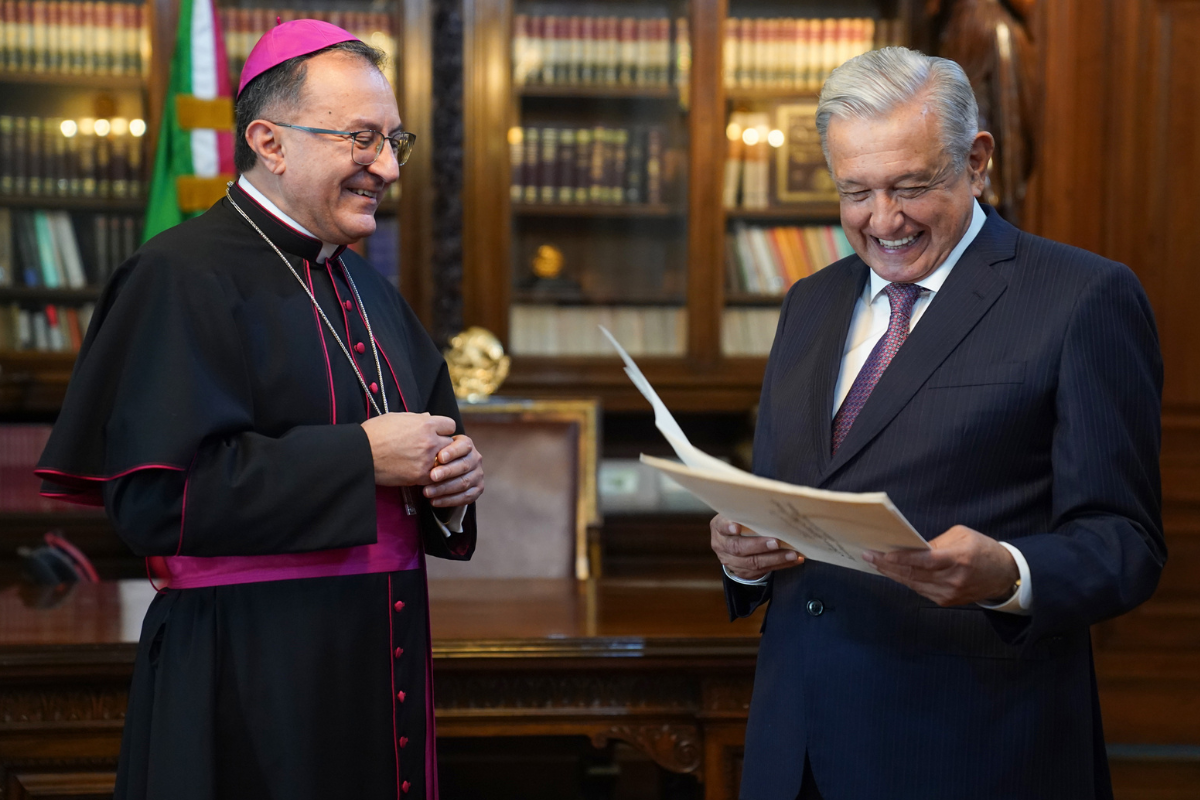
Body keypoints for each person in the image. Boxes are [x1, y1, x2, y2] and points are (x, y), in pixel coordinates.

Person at [35, 20, 482, 800]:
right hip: (246, 674)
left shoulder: (371, 288)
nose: (386, 166)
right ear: (270, 142)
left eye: (394, 141)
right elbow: (149, 502)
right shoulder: (176, 275)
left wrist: (450, 484)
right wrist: (362, 459)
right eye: (362, 139)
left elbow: (425, 452)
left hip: (381, 658)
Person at [711, 47, 1164, 800]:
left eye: (911, 186)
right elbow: (784, 494)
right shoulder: (810, 303)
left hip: (970, 752)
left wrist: (1008, 575)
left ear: (977, 161)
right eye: (855, 191)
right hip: (797, 753)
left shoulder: (1083, 298)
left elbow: (1127, 543)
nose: (882, 220)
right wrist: (739, 552)